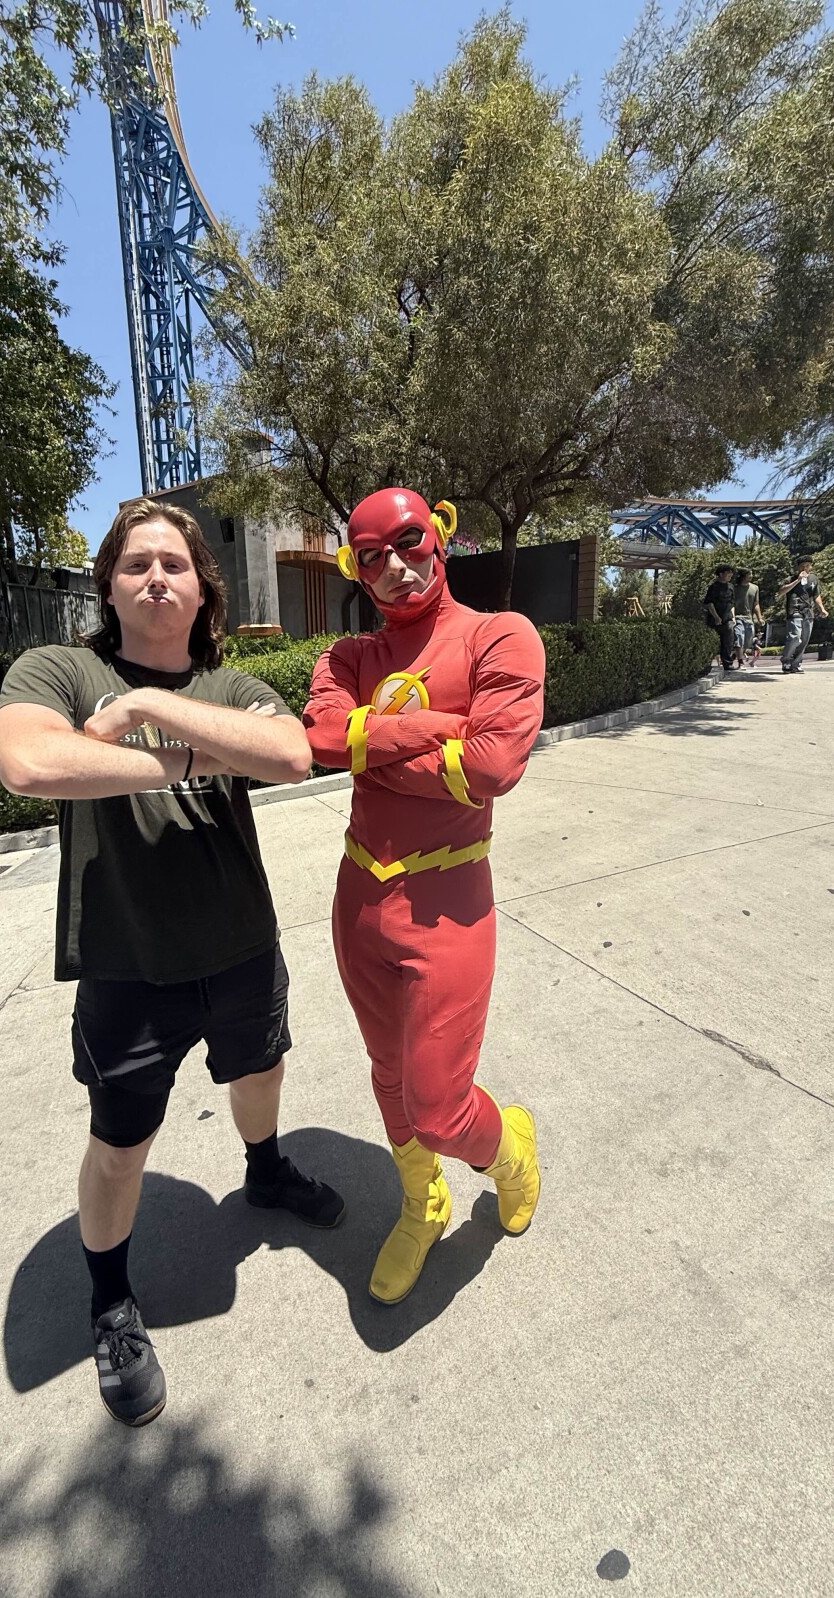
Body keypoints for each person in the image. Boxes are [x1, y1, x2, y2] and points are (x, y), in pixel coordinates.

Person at [0, 498, 343, 1427]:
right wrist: (190, 762)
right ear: (108, 588)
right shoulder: (60, 670)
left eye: (174, 564)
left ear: (202, 592)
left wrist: (145, 710)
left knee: (261, 1073)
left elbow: (291, 755)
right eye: (136, 563)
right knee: (120, 1147)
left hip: (242, 946)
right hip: (127, 965)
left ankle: (265, 1170)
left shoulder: (232, 685)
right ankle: (110, 1300)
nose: (156, 576)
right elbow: (30, 762)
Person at [303, 488, 544, 1305]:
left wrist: (371, 746)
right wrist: (440, 728)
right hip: (359, 902)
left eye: (408, 543)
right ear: (354, 568)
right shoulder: (346, 658)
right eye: (372, 556)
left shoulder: (499, 636)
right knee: (389, 1074)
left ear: (439, 538)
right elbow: (322, 737)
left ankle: (511, 1152)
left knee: (440, 1107)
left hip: (451, 906)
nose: (395, 567)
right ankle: (423, 1203)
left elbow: (491, 767)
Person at [776, 557, 829, 674]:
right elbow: (781, 591)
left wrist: (822, 609)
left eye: (807, 565)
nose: (805, 568)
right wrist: (797, 580)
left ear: (811, 566)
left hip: (808, 612)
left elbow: (816, 596)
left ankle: (796, 663)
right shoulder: (790, 579)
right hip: (794, 611)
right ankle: (786, 660)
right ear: (798, 567)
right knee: (795, 637)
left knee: (804, 639)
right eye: (802, 566)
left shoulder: (814, 579)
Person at [703, 564, 737, 671]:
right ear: (721, 574)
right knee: (712, 641)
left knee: (728, 641)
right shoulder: (714, 587)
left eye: (731, 573)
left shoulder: (731, 587)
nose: (730, 575)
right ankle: (706, 664)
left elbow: (732, 603)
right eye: (728, 573)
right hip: (715, 619)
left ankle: (728, 663)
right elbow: (709, 603)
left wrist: (733, 617)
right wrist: (716, 617)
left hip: (728, 618)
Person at [732, 568, 763, 667]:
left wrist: (759, 618)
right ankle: (740, 661)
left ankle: (737, 654)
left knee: (748, 641)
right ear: (743, 576)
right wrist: (732, 617)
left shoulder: (755, 588)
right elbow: (731, 604)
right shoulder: (734, 588)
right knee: (739, 638)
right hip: (737, 617)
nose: (751, 576)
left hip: (749, 618)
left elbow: (756, 604)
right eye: (749, 574)